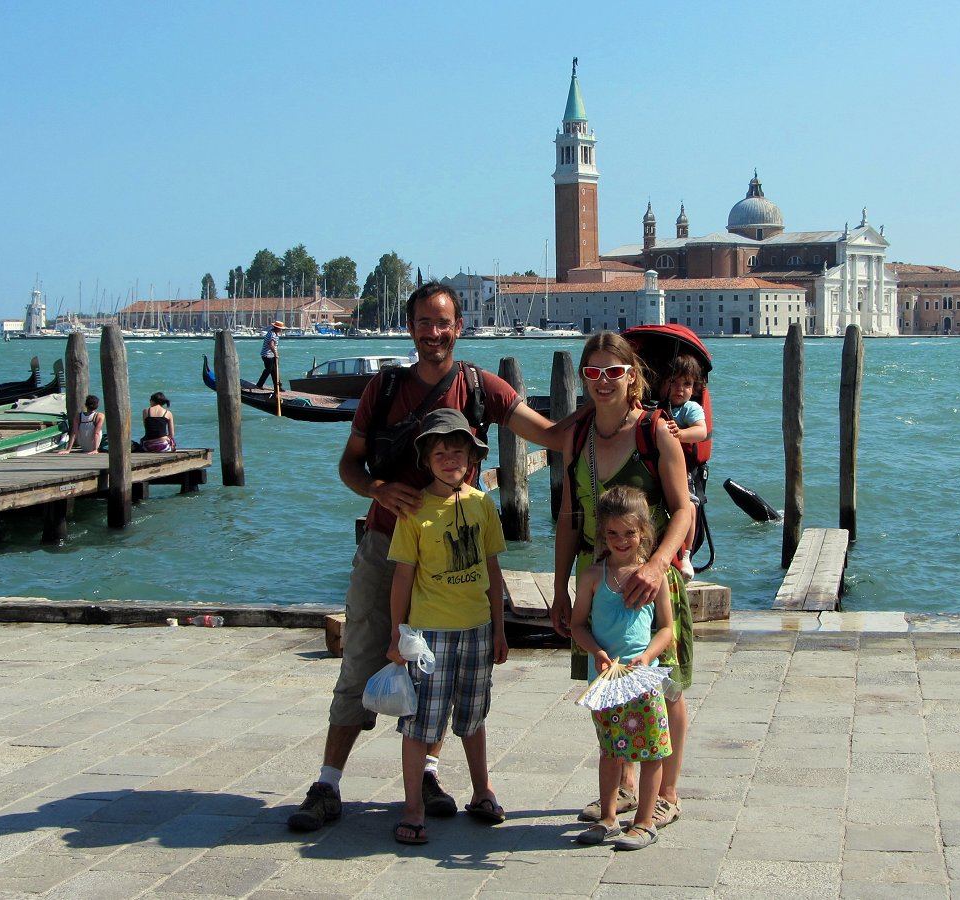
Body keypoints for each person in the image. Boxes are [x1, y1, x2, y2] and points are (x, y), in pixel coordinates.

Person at [287, 281, 563, 833]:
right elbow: (350, 465)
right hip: (385, 546)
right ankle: (328, 784)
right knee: (362, 657)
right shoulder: (385, 387)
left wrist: (625, 417)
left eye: (443, 323)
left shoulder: (480, 387)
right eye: (423, 323)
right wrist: (377, 490)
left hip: (451, 559)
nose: (433, 333)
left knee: (440, 669)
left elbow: (551, 434)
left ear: (459, 327)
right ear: (410, 328)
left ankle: (429, 775)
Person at [552, 330, 693, 832]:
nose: (603, 380)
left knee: (667, 688)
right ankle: (624, 788)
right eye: (593, 372)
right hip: (600, 581)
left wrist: (656, 566)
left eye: (614, 371)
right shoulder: (577, 436)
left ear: (632, 375)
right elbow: (569, 517)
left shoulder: (656, 431)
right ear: (583, 378)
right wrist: (561, 588)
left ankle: (667, 793)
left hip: (653, 581)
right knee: (612, 684)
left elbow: (682, 509)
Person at [386, 408, 508, 845]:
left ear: (471, 459)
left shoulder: (481, 504)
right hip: (429, 634)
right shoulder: (414, 510)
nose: (450, 460)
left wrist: (500, 628)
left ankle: (482, 791)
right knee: (420, 723)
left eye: (457, 452)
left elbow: (493, 570)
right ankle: (413, 808)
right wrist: (396, 634)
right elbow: (402, 577)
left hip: (477, 628)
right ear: (426, 460)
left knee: (473, 717)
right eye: (440, 453)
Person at [571, 485, 674, 850]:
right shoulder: (592, 577)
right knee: (610, 750)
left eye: (629, 533)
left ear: (643, 532)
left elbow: (666, 629)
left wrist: (647, 656)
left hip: (643, 679)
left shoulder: (654, 577)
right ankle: (608, 817)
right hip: (605, 681)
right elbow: (577, 625)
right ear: (602, 533)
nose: (620, 541)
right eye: (612, 533)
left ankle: (645, 821)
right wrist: (597, 652)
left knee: (652, 750)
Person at [657, 355, 708, 581]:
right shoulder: (654, 407)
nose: (679, 389)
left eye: (686, 384)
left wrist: (680, 434)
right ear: (661, 384)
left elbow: (701, 431)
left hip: (682, 471)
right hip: (657, 469)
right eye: (673, 382)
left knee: (690, 507)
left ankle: (686, 555)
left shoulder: (690, 409)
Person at [257, 320, 286, 390]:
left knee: (274, 371)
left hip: (271, 355)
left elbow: (274, 346)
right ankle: (260, 384)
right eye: (281, 329)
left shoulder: (274, 333)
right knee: (269, 370)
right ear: (277, 328)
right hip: (267, 355)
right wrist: (276, 354)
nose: (281, 330)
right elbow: (271, 345)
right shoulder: (272, 334)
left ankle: (277, 387)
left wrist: (275, 354)